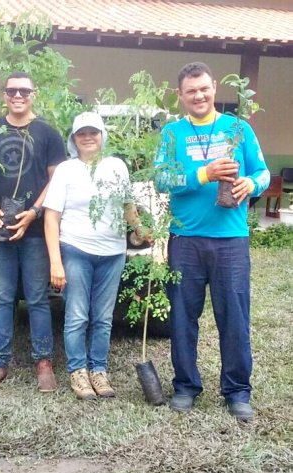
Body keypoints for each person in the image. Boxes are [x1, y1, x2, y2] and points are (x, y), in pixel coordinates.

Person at [155, 62, 270, 422]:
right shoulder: (172, 134)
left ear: (214, 87)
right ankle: (186, 386)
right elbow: (161, 178)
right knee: (182, 317)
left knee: (234, 317)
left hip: (230, 240)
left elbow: (262, 172)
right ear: (181, 96)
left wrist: (251, 185)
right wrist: (204, 173)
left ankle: (237, 391)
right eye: (191, 91)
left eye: (204, 89)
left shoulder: (238, 128)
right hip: (185, 239)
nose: (199, 96)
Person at [0, 72, 67, 392]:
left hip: (36, 231)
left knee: (38, 298)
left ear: (33, 94)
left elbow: (56, 179)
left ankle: (44, 363)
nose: (17, 95)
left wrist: (34, 212)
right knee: (1, 297)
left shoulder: (47, 134)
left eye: (24, 90)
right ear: (4, 95)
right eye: (12, 90)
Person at [43, 112, 147, 400]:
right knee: (77, 315)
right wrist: (55, 261)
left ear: (103, 135)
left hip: (113, 253)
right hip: (75, 249)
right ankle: (78, 371)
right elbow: (51, 218)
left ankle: (98, 370)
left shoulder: (117, 167)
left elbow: (127, 205)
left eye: (93, 132)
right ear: (73, 139)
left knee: (102, 318)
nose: (88, 137)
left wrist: (139, 230)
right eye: (81, 133)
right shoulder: (66, 170)